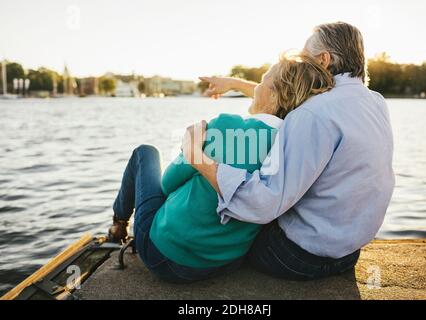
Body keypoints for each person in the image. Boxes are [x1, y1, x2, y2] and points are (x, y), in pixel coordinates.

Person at [182, 22, 395, 280]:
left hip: (301, 257)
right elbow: (287, 93)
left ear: (323, 60)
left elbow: (264, 202)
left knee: (229, 222)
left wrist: (197, 157)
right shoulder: (375, 102)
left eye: (306, 57)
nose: (299, 66)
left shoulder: (313, 113)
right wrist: (234, 84)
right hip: (348, 252)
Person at [107, 54, 334, 283]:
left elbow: (167, 183)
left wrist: (191, 145)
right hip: (226, 261)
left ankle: (118, 225)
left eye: (262, 81)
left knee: (145, 153)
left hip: (166, 257)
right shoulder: (292, 146)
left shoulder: (226, 126)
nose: (255, 89)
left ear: (274, 94)